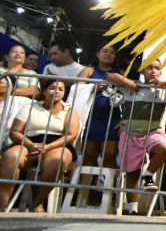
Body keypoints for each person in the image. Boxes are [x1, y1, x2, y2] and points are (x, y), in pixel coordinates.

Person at [106, 59, 166, 215]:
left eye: (157, 68)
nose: (153, 71)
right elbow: (109, 76)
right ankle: (132, 209)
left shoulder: (164, 90)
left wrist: (164, 82)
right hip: (130, 131)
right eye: (149, 68)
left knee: (163, 147)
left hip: (153, 131)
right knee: (132, 172)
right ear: (141, 71)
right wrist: (127, 82)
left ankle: (148, 176)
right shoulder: (131, 87)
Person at [0, 79, 80, 212]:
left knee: (57, 161)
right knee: (10, 156)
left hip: (56, 144)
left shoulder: (70, 110)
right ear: (44, 91)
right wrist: (31, 146)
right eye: (53, 88)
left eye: (61, 89)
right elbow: (15, 131)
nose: (57, 92)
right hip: (29, 142)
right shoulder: (30, 106)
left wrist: (46, 148)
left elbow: (71, 135)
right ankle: (3, 205)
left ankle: (38, 203)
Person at [80, 45, 122, 174]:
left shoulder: (119, 74)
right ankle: (86, 193)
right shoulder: (88, 70)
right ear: (97, 53)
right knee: (88, 156)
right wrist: (93, 88)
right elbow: (75, 89)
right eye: (105, 51)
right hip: (90, 118)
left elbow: (128, 97)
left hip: (112, 119)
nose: (108, 54)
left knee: (109, 156)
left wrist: (125, 119)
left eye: (112, 52)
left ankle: (109, 193)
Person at [0, 44, 40, 150]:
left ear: (24, 59)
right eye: (14, 51)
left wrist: (8, 91)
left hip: (18, 108)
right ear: (6, 56)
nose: (18, 54)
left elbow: (33, 91)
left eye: (22, 52)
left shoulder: (30, 73)